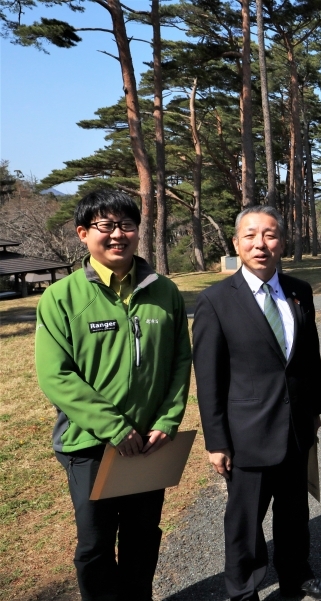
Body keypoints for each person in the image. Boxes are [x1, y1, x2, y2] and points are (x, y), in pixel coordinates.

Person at [35, 190, 192, 601]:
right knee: (95, 544)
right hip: (90, 445)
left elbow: (179, 362)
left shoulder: (165, 292)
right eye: (105, 226)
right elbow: (56, 375)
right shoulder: (61, 297)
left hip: (150, 442)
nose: (118, 234)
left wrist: (166, 420)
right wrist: (114, 428)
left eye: (127, 225)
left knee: (143, 535)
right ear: (83, 233)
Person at [193, 206, 321, 601]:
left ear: (282, 241)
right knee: (245, 521)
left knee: (294, 513)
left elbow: (309, 357)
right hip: (246, 433)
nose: (260, 244)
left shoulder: (299, 290)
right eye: (250, 235)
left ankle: (298, 575)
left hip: (296, 426)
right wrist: (216, 441)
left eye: (270, 235)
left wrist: (314, 412)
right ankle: (243, 590)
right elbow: (209, 378)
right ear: (236, 242)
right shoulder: (214, 301)